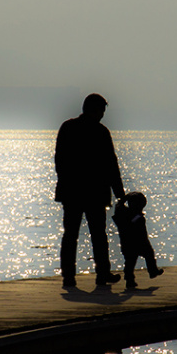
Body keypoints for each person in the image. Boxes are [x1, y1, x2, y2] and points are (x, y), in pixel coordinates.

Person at [55, 93, 125, 288]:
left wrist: (65, 183)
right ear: (96, 110)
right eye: (102, 111)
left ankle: (69, 277)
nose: (103, 115)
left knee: (70, 235)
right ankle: (102, 274)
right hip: (95, 192)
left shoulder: (67, 127)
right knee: (98, 236)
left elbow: (59, 160)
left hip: (72, 192)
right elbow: (112, 165)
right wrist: (120, 194)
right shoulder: (101, 132)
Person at [112, 192, 163, 289]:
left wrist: (123, 199)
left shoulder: (122, 214)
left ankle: (129, 280)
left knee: (130, 262)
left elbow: (118, 207)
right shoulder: (137, 217)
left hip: (126, 242)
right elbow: (141, 232)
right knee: (148, 255)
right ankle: (152, 271)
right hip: (139, 242)